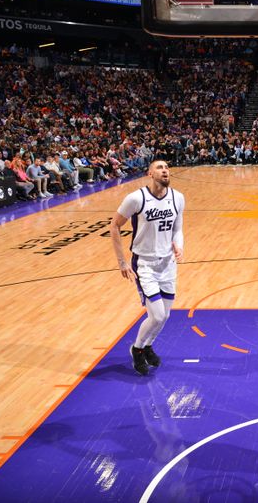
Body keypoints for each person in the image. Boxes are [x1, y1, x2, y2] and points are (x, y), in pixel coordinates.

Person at [110, 160, 185, 376]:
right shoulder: (136, 198)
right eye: (160, 167)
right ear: (150, 173)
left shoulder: (177, 198)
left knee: (166, 315)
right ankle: (137, 349)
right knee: (158, 315)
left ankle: (148, 344)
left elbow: (178, 229)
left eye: (167, 167)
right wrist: (122, 262)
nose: (165, 170)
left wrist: (179, 246)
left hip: (168, 263)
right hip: (145, 264)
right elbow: (114, 225)